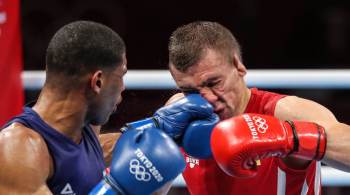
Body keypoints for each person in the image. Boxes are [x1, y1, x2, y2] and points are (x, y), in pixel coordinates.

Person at [0, 21, 212, 195]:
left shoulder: (83, 132)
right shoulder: (17, 150)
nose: (123, 88)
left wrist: (158, 129)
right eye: (121, 76)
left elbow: (82, 156)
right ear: (98, 82)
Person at [166, 21, 350, 195]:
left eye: (213, 83)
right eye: (190, 91)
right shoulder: (178, 114)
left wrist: (289, 138)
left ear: (238, 66)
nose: (207, 100)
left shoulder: (284, 112)